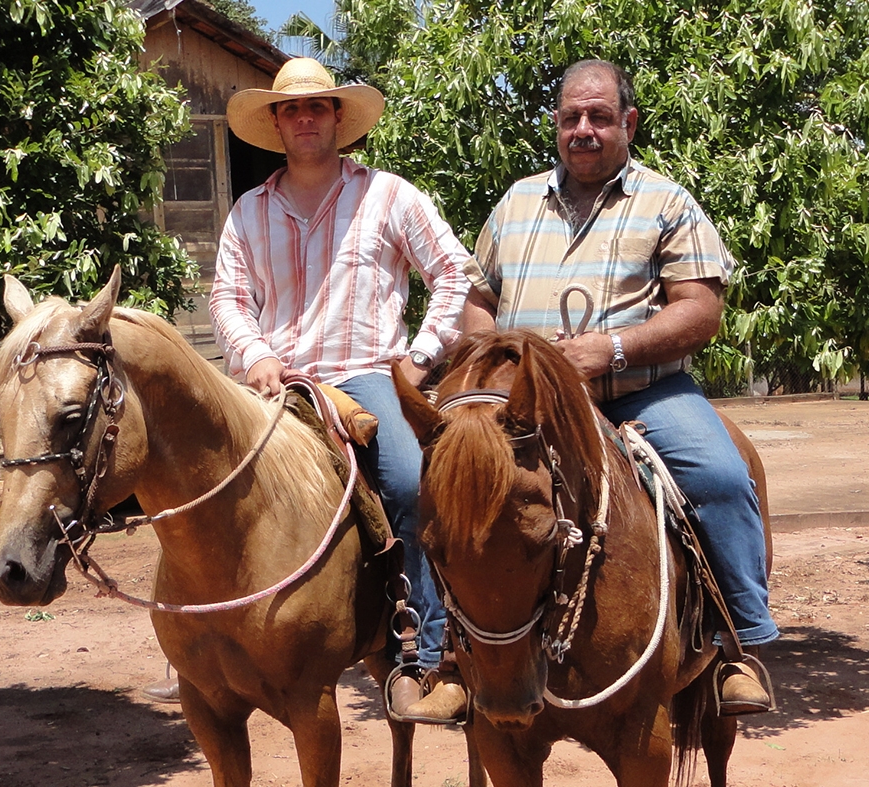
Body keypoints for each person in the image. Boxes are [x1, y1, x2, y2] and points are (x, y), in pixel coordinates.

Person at [461, 59, 778, 714]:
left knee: (719, 476)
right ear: (555, 124)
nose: (584, 129)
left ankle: (737, 645)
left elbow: (700, 308)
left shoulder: (666, 202)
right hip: (529, 408)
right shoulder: (516, 203)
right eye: (572, 116)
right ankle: (441, 653)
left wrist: (611, 349)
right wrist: (497, 361)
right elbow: (478, 301)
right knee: (446, 485)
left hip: (642, 396)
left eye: (599, 116)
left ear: (627, 123)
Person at [199, 57, 469, 722]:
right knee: (197, 484)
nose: (305, 118)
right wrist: (255, 353)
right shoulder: (249, 211)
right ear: (276, 123)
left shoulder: (390, 197)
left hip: (364, 376)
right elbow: (228, 298)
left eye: (317, 106)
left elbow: (455, 274)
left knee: (411, 482)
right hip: (271, 380)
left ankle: (425, 654)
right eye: (292, 109)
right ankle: (201, 647)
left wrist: (419, 359)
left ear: (338, 119)